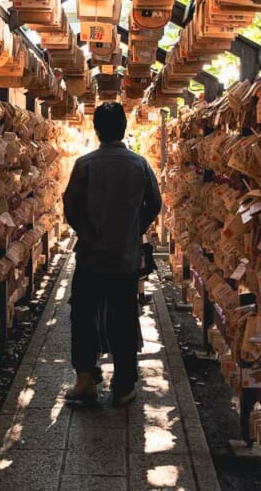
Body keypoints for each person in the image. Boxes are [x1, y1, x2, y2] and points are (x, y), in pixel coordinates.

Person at [62, 102, 162, 406]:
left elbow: (70, 206)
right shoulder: (139, 164)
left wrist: (86, 231)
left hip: (91, 256)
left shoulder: (85, 164)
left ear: (96, 129)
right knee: (124, 318)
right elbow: (154, 203)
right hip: (125, 258)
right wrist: (135, 228)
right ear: (124, 129)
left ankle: (86, 380)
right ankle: (123, 384)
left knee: (83, 315)